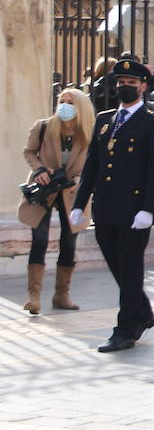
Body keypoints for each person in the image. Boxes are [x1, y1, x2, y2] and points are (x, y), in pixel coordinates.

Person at [69, 58, 154, 352]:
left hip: (133, 210)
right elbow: (93, 165)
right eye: (121, 83)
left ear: (143, 87)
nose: (125, 88)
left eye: (131, 84)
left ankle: (125, 329)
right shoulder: (104, 120)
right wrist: (80, 202)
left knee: (130, 269)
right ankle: (144, 312)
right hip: (105, 207)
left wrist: (147, 209)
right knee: (118, 268)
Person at [19, 88, 95, 313]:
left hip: (72, 192)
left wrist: (80, 179)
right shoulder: (42, 126)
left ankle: (62, 294)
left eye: (70, 102)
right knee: (39, 239)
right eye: (62, 101)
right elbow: (29, 152)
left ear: (80, 106)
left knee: (69, 241)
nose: (65, 105)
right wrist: (40, 168)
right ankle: (33, 296)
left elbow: (93, 162)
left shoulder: (88, 133)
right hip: (44, 188)